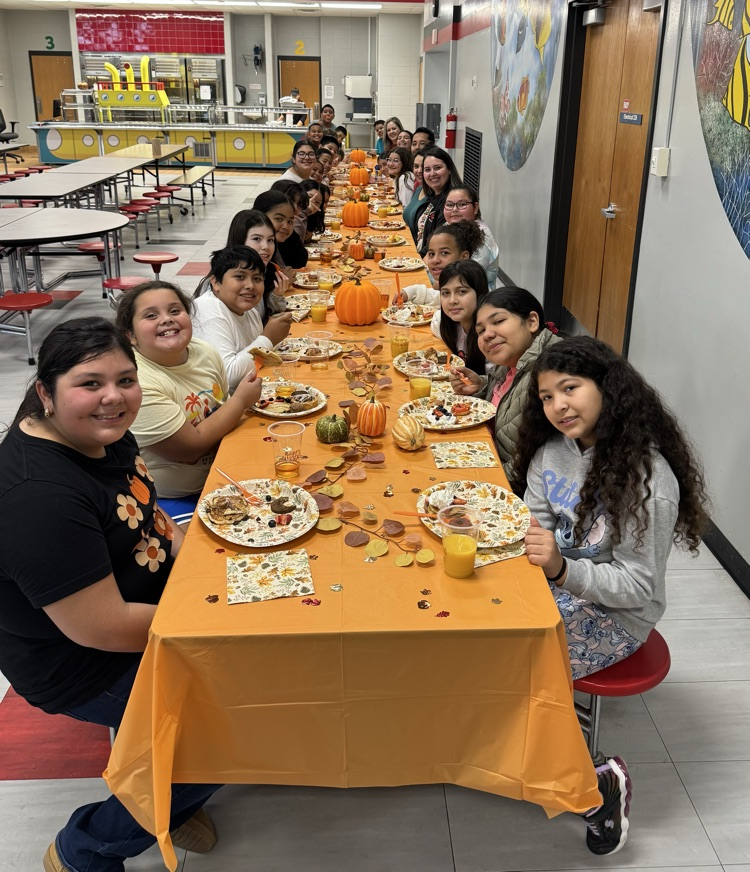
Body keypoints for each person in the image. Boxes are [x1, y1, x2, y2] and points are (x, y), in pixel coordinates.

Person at [0, 317, 222, 872]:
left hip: (144, 607)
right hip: (79, 662)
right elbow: (101, 627)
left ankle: (159, 787)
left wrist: (196, 558)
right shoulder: (38, 496)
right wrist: (220, 627)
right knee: (228, 724)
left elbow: (150, 516)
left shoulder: (104, 433)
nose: (113, 398)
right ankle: (87, 849)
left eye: (126, 379)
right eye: (90, 383)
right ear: (45, 393)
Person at [514, 335, 708, 856]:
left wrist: (559, 568)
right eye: (546, 397)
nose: (557, 406)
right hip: (559, 588)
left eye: (569, 389)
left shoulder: (648, 479)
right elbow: (536, 521)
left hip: (617, 616)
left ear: (608, 387)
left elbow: (637, 586)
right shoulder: (552, 453)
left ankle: (597, 787)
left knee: (512, 665)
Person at [116, 281, 263, 516]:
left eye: (175, 310)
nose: (166, 319)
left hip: (224, 473)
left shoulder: (204, 352)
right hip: (173, 496)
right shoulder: (137, 383)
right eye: (151, 315)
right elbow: (189, 449)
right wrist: (241, 400)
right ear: (130, 336)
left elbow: (220, 410)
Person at [449, 287, 561, 478]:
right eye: (481, 330)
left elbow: (531, 465)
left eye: (498, 321)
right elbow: (509, 398)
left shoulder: (552, 373)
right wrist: (482, 387)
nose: (487, 335)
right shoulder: (511, 364)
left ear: (532, 322)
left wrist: (485, 479)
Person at [193, 246, 292, 391]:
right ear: (215, 283)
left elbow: (255, 362)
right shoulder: (209, 311)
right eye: (240, 277)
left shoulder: (250, 312)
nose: (250, 285)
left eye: (257, 279)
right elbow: (228, 377)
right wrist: (268, 338)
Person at [433, 260, 489, 374]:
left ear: (479, 293)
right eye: (445, 293)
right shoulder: (445, 325)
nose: (452, 301)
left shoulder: (489, 337)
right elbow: (436, 321)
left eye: (462, 292)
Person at [444, 185, 500, 288]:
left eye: (462, 204)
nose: (454, 209)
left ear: (475, 208)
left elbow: (468, 280)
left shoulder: (482, 236)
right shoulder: (449, 225)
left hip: (473, 295)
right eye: (449, 205)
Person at [417, 146, 463, 255]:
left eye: (437, 168)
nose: (432, 174)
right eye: (427, 170)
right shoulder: (432, 196)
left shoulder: (451, 202)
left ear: (449, 170)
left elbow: (437, 242)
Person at [423, 220, 484, 289]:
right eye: (432, 254)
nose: (435, 260)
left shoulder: (467, 292)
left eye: (444, 253)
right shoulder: (440, 285)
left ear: (464, 256)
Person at [271, 179, 311, 269]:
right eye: (291, 201)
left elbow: (300, 260)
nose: (295, 209)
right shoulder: (262, 238)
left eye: (300, 205)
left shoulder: (287, 229)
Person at [403, 150, 429, 242]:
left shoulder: (433, 197)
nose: (419, 171)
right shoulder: (419, 189)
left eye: (425, 167)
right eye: (416, 166)